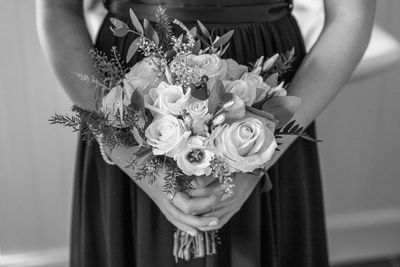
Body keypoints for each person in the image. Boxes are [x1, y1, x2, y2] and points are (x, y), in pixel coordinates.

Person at [36, 0, 376, 266]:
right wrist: (126, 149)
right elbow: (57, 8)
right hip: (129, 93)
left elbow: (351, 13)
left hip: (268, 92)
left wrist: (259, 148)